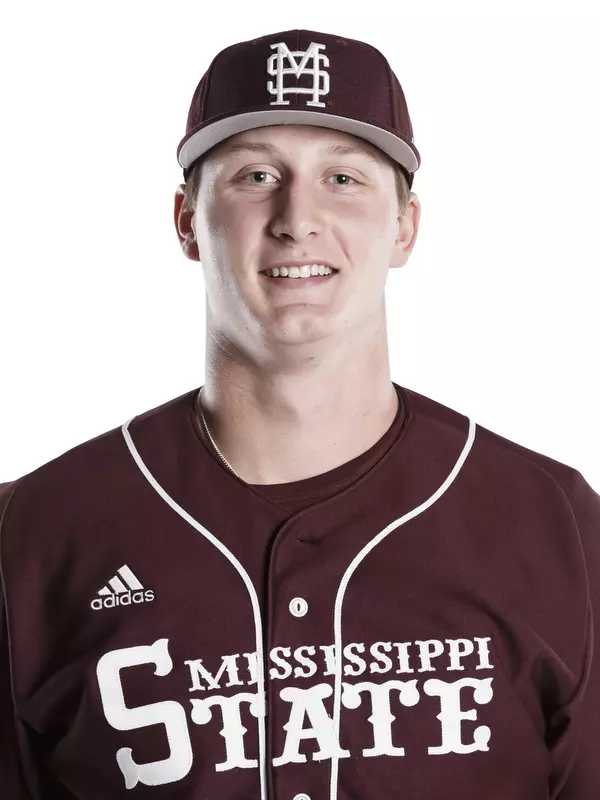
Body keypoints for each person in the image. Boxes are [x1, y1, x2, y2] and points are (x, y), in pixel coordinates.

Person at [0, 27, 598, 800]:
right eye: (255, 174)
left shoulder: (556, 527)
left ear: (406, 227)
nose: (297, 217)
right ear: (186, 220)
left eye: (343, 178)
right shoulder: (34, 538)